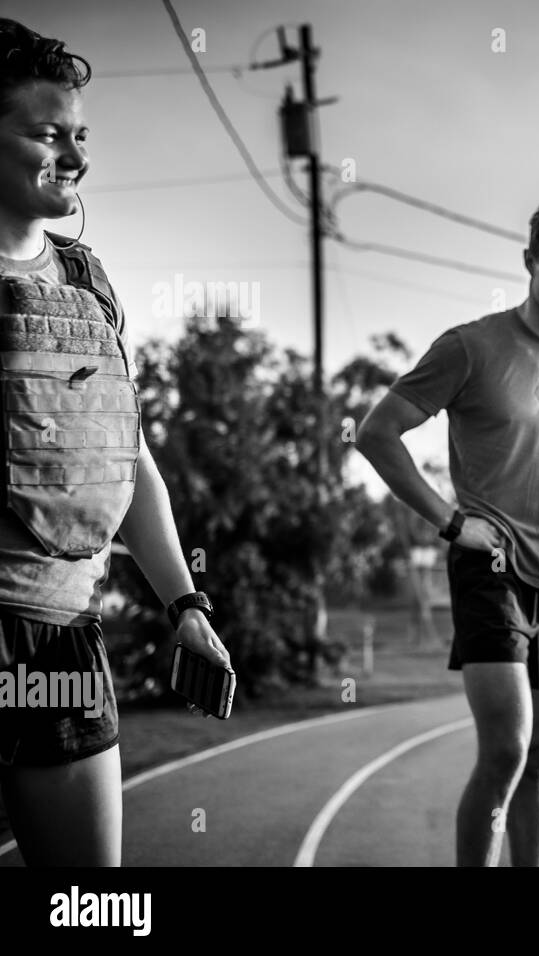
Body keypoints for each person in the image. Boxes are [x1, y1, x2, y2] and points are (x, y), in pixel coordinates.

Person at [0, 18, 231, 866]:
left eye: (80, 134)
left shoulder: (88, 281)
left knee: (95, 908)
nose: (75, 156)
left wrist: (186, 606)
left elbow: (127, 459)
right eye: (47, 133)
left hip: (63, 636)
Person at [358, 200, 539, 866]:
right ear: (529, 263)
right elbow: (376, 433)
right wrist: (452, 522)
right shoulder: (470, 347)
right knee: (508, 749)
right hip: (493, 570)